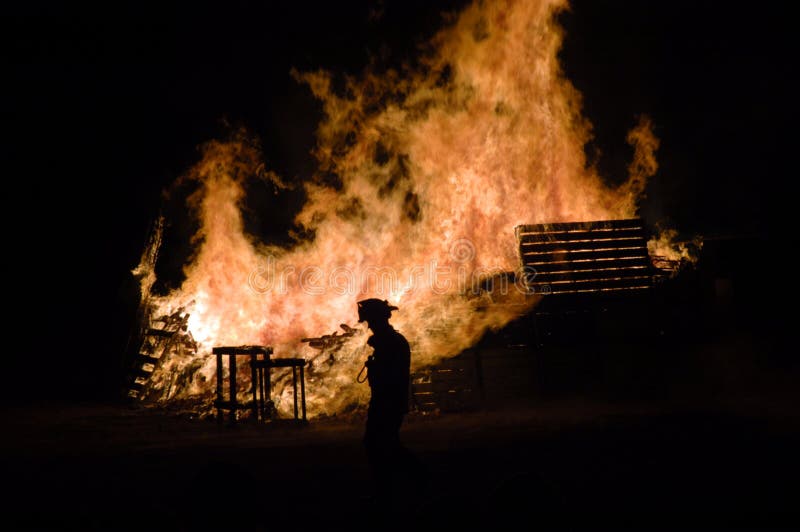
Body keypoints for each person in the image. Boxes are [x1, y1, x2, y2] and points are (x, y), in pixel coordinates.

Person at [357, 298, 417, 508]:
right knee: (384, 444)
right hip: (387, 401)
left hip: (387, 402)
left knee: (379, 445)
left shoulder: (390, 342)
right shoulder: (391, 341)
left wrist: (374, 367)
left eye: (370, 321)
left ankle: (410, 480)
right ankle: (391, 490)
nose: (369, 326)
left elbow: (388, 376)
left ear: (378, 319)